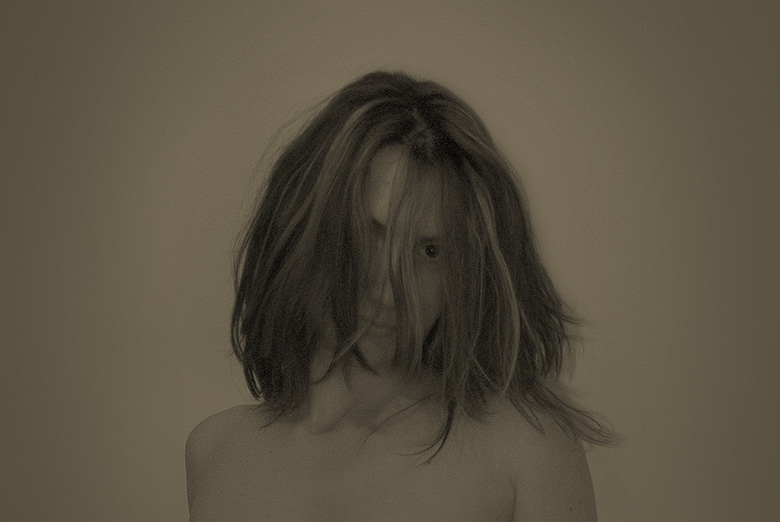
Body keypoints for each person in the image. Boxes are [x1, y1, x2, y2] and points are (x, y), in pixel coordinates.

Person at [185, 71, 613, 521]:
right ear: (305, 229)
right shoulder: (214, 451)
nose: (391, 289)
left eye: (431, 251)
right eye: (371, 236)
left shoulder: (527, 450)